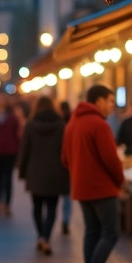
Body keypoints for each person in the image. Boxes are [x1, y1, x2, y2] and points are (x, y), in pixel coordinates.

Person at [61, 84, 125, 263]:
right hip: (101, 188)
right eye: (109, 102)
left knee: (92, 232)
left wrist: (78, 172)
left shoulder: (73, 123)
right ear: (98, 101)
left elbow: (64, 158)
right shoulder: (99, 125)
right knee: (111, 232)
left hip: (81, 187)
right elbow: (111, 159)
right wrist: (120, 180)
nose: (111, 107)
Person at [18, 96, 69, 254]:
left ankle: (40, 235)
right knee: (52, 207)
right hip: (56, 171)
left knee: (37, 206)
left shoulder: (30, 125)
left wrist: (22, 171)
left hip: (35, 171)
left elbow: (25, 149)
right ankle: (46, 238)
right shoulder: (61, 126)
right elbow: (65, 150)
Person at [58, 101, 73, 235]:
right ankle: (66, 219)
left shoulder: (60, 125)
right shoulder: (71, 124)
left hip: (59, 164)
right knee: (67, 195)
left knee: (63, 195)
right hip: (67, 164)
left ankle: (65, 220)